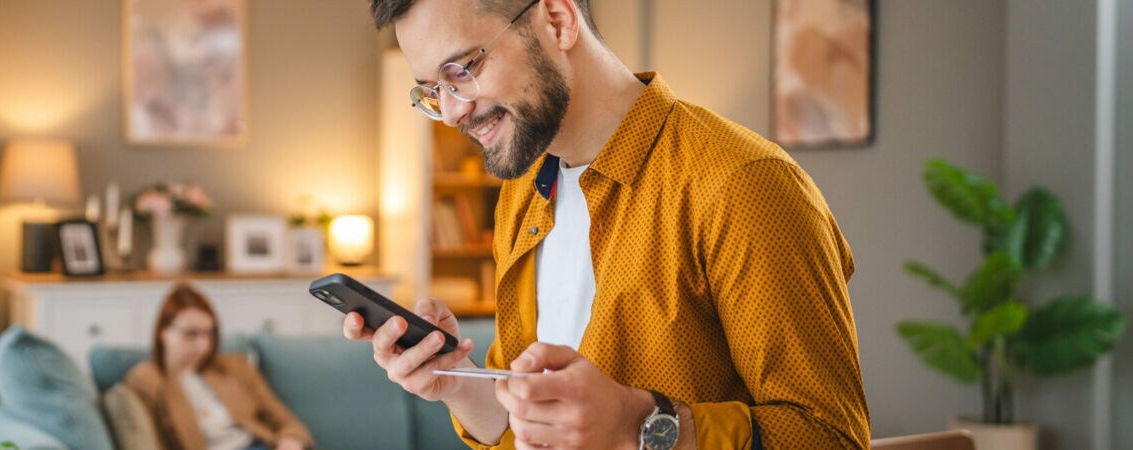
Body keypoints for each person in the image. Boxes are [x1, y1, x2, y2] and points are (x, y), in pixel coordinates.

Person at [343, 0, 871, 449]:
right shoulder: (521, 197)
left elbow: (831, 435)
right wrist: (456, 383)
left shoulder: (742, 184)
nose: (453, 112)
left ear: (556, 20)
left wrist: (640, 426)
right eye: (433, 90)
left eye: (462, 70)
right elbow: (525, 424)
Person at [126, 284, 314, 450]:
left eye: (209, 334)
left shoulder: (235, 367)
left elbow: (286, 421)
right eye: (191, 334)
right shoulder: (147, 380)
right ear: (163, 332)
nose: (204, 346)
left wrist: (291, 442)